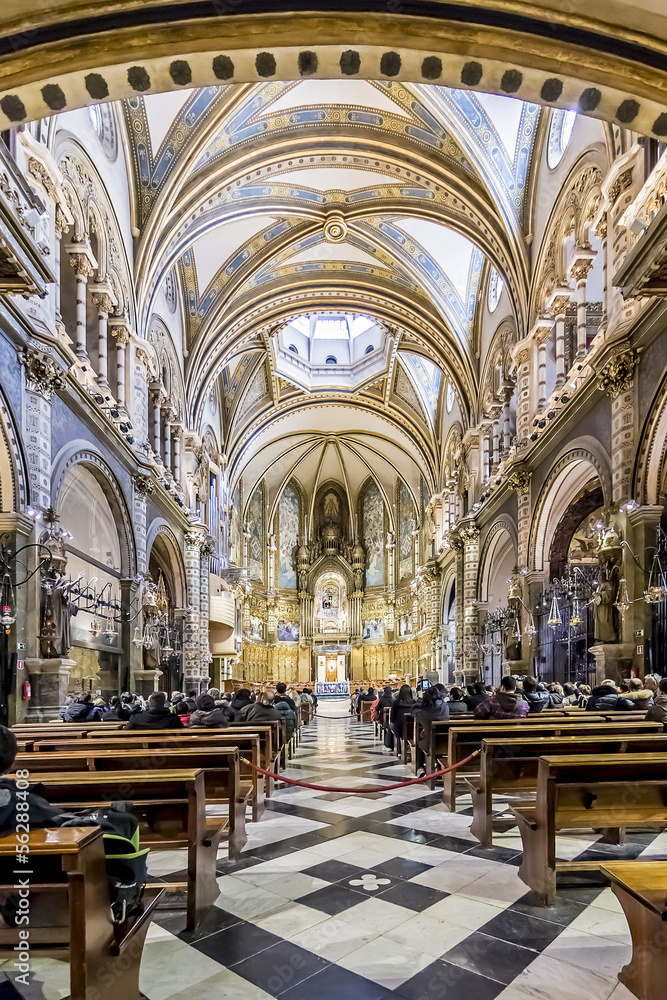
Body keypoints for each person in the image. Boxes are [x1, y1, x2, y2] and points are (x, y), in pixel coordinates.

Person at [389, 684, 416, 751]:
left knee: (390, 725)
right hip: (413, 730)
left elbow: (392, 718)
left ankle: (391, 746)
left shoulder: (395, 702)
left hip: (399, 729)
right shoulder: (414, 703)